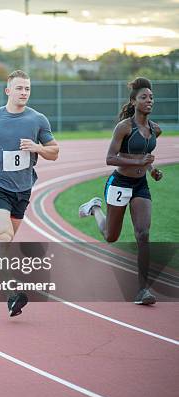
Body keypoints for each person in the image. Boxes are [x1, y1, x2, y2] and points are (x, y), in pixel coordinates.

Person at [0, 70, 60, 317]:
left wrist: (37, 147)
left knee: (1, 234)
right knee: (4, 240)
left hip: (22, 189)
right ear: (8, 91)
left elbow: (55, 151)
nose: (24, 93)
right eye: (19, 88)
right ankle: (12, 295)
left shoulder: (37, 120)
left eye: (27, 88)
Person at [79, 77, 162, 305]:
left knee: (143, 234)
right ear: (134, 101)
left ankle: (142, 290)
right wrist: (140, 162)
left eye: (151, 97)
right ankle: (95, 207)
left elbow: (146, 158)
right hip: (119, 184)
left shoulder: (155, 129)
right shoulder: (124, 127)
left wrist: (152, 170)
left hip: (140, 186)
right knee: (110, 236)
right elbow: (110, 158)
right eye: (144, 97)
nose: (149, 100)